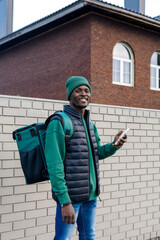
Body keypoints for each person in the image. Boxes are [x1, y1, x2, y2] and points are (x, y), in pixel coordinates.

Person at [45, 76, 127, 240]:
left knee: (88, 236)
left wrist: (115, 145)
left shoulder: (90, 124)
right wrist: (65, 202)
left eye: (86, 90)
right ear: (70, 95)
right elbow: (54, 165)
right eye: (78, 90)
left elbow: (97, 154)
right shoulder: (59, 122)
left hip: (91, 196)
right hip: (71, 199)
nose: (83, 94)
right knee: (63, 238)